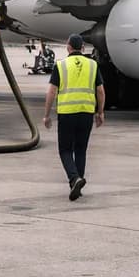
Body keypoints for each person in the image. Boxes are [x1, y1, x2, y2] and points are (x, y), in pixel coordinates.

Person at [42, 34, 105, 200]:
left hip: (67, 114)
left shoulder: (61, 65)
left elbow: (51, 92)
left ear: (68, 47)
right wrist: (100, 112)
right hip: (86, 113)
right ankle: (77, 184)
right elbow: (100, 91)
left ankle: (74, 178)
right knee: (81, 149)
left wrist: (47, 115)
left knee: (65, 149)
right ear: (83, 48)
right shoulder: (93, 65)